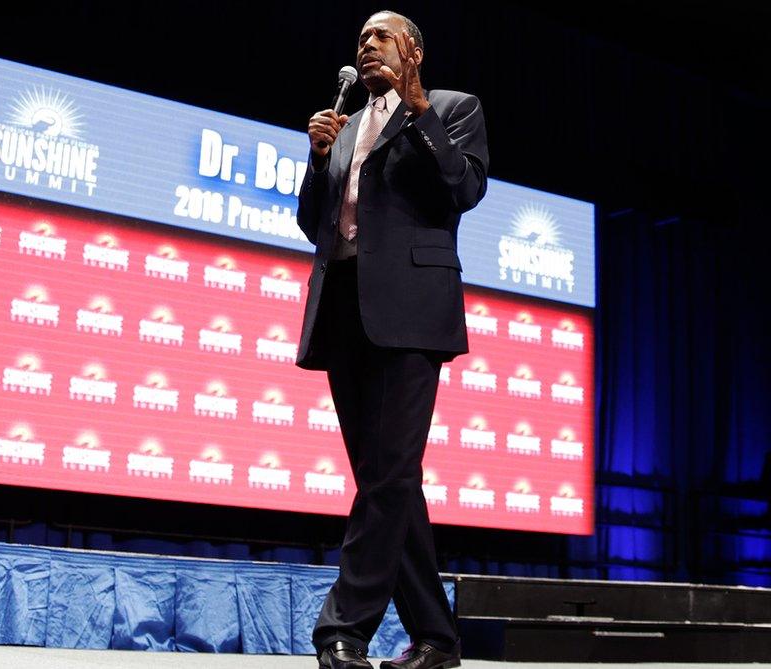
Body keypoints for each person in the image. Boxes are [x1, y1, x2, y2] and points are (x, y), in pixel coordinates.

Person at [294, 10, 489, 669]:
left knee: (390, 473)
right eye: (360, 38)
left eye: (380, 36)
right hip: (343, 308)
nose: (366, 45)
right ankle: (437, 636)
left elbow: (462, 189)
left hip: (411, 311)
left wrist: (419, 110)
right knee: (384, 478)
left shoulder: (453, 107)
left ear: (415, 51)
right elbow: (313, 222)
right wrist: (320, 159)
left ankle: (343, 626)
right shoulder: (346, 126)